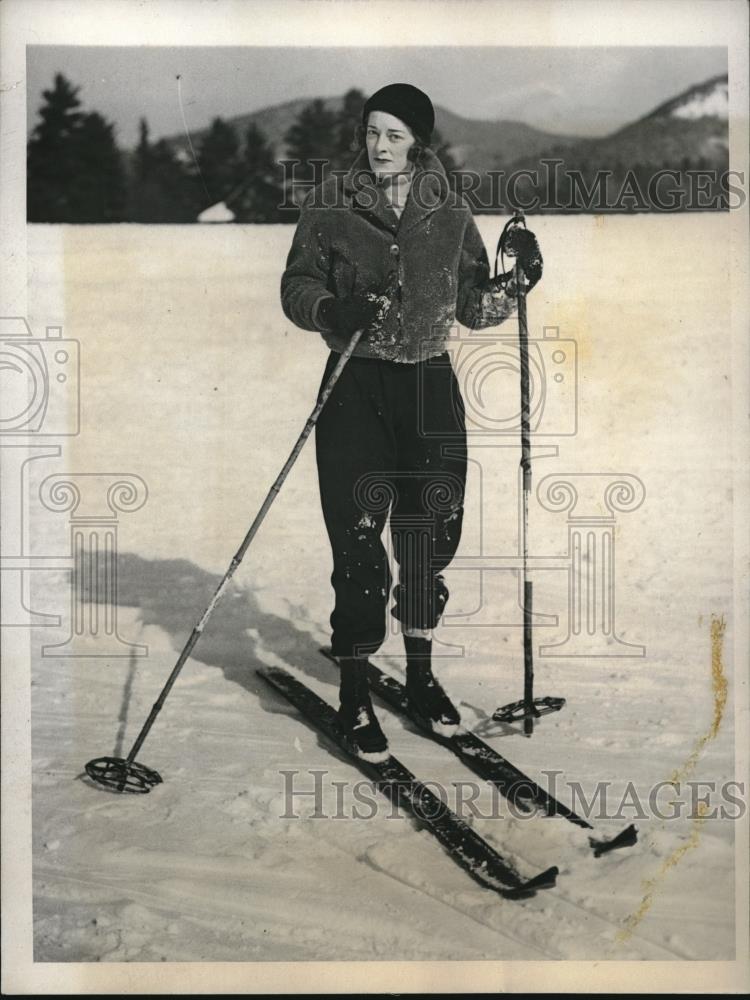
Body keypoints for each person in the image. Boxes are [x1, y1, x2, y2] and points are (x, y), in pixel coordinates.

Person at [281, 83, 542, 760]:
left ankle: (421, 678)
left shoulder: (448, 208)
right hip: (354, 385)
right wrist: (329, 312)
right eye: (372, 132)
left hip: (428, 386)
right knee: (359, 539)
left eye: (394, 135)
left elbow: (473, 306)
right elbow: (297, 284)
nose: (379, 147)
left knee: (429, 534)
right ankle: (352, 697)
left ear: (418, 142)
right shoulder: (332, 202)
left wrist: (513, 286)